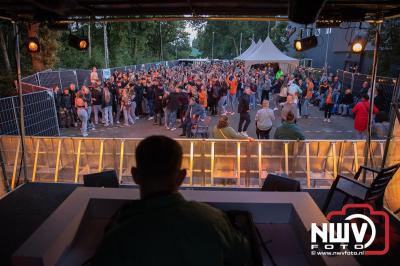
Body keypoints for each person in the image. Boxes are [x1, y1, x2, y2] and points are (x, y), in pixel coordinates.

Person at [92, 136, 252, 266]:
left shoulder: (116, 238)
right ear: (181, 176)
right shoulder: (214, 220)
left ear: (135, 175)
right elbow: (245, 257)